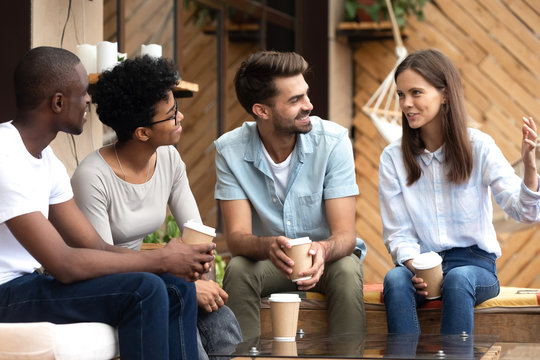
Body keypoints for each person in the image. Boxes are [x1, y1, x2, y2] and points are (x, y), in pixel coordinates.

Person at [0, 46, 216, 360]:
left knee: (175, 289)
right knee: (146, 290)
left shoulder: (48, 162)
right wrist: (160, 260)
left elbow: (95, 246)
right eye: (83, 93)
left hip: (27, 285)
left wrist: (169, 264)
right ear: (58, 102)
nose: (89, 100)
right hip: (7, 292)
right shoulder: (6, 156)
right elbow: (64, 264)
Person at [71, 55, 242, 359]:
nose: (181, 118)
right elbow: (101, 264)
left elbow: (197, 234)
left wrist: (203, 283)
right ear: (142, 133)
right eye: (172, 114)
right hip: (121, 285)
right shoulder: (92, 177)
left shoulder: (168, 159)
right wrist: (186, 286)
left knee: (221, 322)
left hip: (157, 275)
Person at [378, 48, 540, 335]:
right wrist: (416, 267)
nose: (406, 103)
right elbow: (398, 233)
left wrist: (529, 167)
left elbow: (525, 212)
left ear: (445, 94)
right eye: (401, 94)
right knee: (394, 280)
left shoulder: (479, 146)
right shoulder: (392, 158)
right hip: (422, 265)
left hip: (475, 267)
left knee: (458, 279)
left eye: (416, 92)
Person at [214, 50, 367, 339]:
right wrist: (268, 246)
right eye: (295, 100)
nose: (309, 105)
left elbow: (345, 236)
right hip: (270, 264)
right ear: (262, 110)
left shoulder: (333, 142)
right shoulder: (229, 150)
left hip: (328, 262)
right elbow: (236, 238)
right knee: (239, 269)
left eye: (305, 95)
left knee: (348, 270)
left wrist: (321, 250)